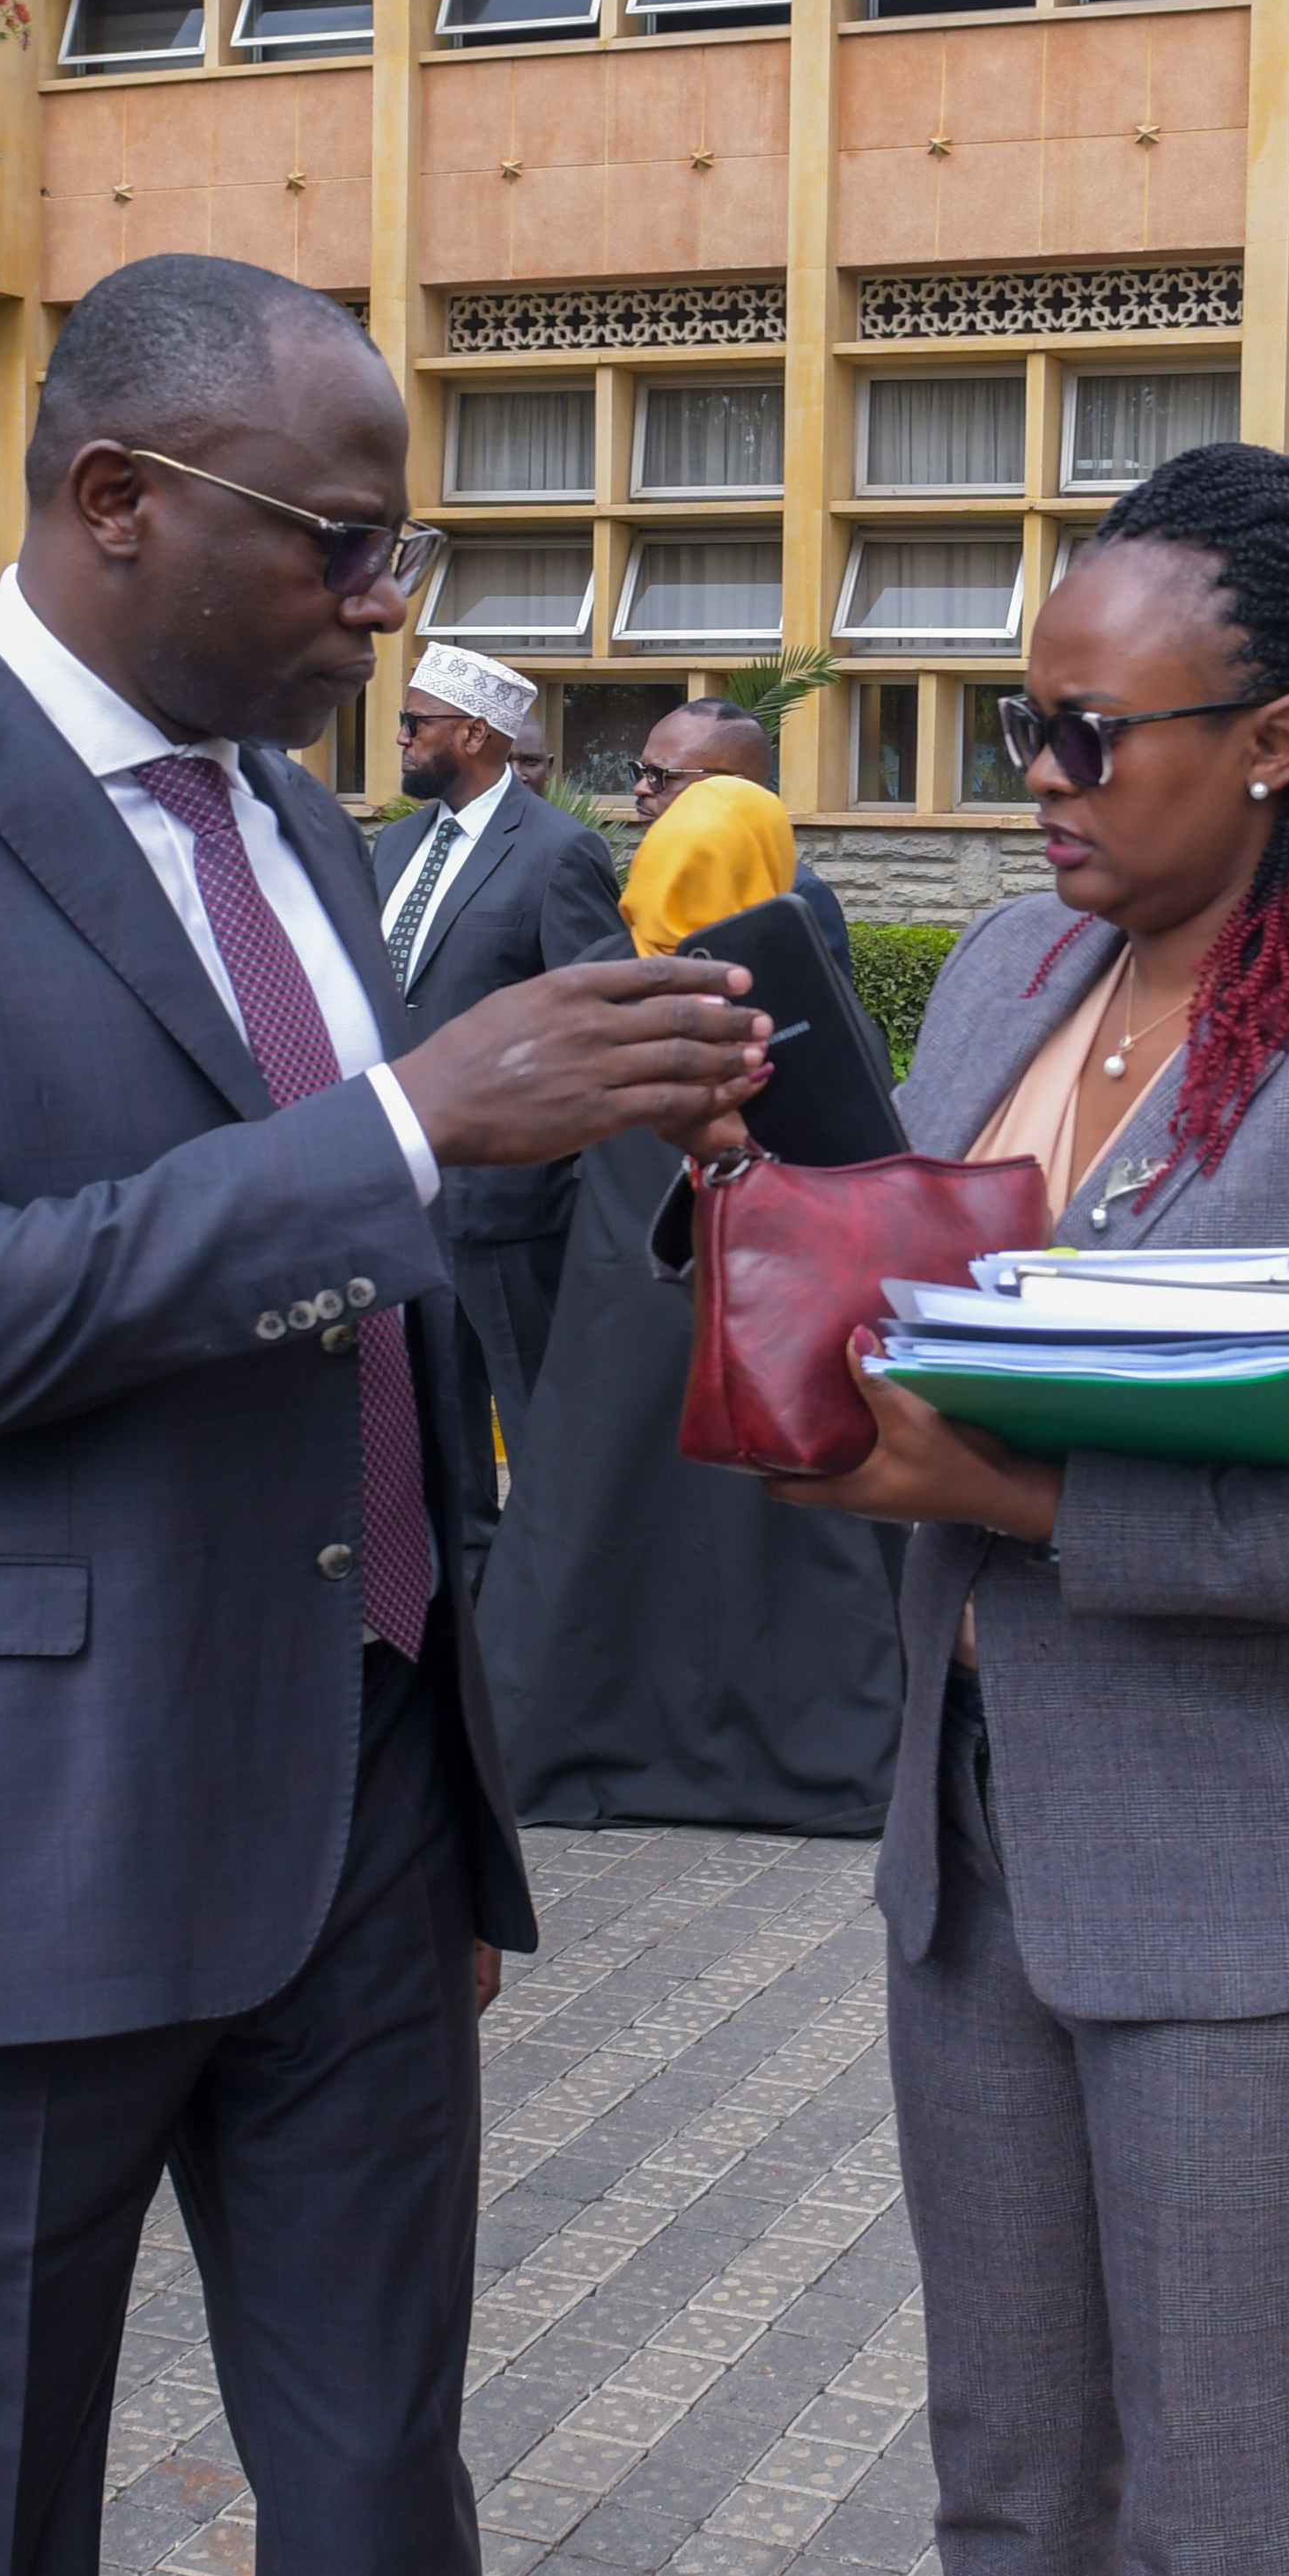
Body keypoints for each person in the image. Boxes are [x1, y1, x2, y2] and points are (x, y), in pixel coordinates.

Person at [0, 251, 770, 2576]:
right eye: (336, 544)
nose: (388, 610)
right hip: (20, 1832)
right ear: (116, 501)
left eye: (406, 556)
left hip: (363, 1814)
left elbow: (375, 1296)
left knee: (383, 2493)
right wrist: (405, 1125)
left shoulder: (288, 805)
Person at [743, 443, 1289, 2576]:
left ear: (1278, 742)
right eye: (1025, 723)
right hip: (981, 1859)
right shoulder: (1018, 963)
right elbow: (926, 1310)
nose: (1039, 781)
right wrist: (767, 1266)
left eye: (1086, 738)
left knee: (1234, 2565)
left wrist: (1028, 1510)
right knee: (1007, 2484)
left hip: (1262, 1909)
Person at [481, 747, 903, 1833]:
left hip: (620, 1324)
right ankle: (799, 1762)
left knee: (601, 1517)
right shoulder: (799, 1001)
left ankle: (585, 1750)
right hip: (779, 1334)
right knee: (779, 1539)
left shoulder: (610, 1001)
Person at [371, 640, 626, 1585]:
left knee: (538, 1425)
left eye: (415, 723)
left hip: (514, 1207)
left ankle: (567, 1613)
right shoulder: (393, 845)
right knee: (432, 1432)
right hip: (400, 1194)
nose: (397, 739)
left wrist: (566, 1181)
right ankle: (463, 1611)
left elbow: (596, 1024)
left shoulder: (560, 853)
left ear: (473, 734)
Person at [634, 693, 851, 982]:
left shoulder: (796, 895)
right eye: (640, 771)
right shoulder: (645, 882)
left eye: (661, 775)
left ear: (733, 788)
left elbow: (821, 1017)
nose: (640, 788)